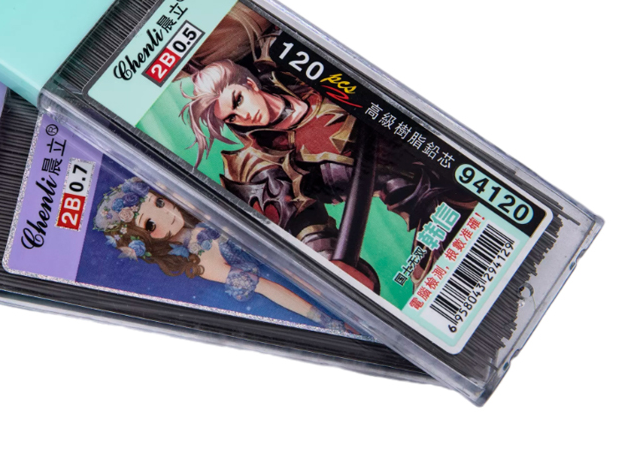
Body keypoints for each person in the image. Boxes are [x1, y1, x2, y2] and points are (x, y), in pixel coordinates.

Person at [180, 31, 475, 287]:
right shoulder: (264, 162)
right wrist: (331, 265)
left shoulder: (289, 63)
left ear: (249, 84)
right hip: (432, 205)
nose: (244, 116)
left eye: (238, 100)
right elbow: (305, 227)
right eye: (232, 117)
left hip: (444, 142)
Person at [93, 177, 347, 331]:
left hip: (284, 220)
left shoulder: (194, 206)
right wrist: (323, 319)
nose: (166, 214)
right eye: (150, 224)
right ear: (146, 242)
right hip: (298, 263)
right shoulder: (203, 262)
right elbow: (268, 288)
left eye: (159, 203)